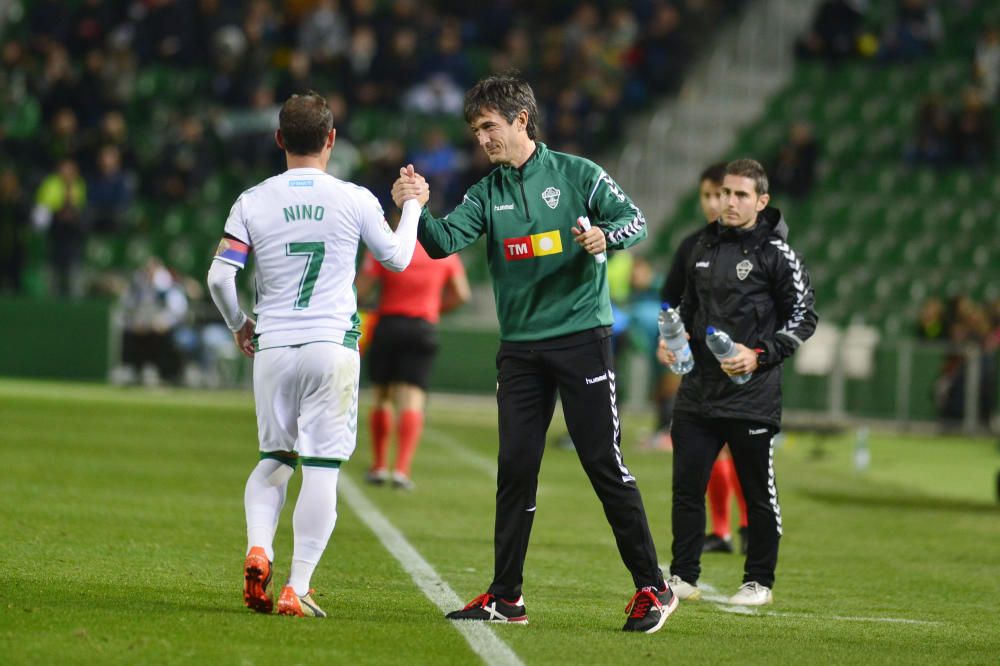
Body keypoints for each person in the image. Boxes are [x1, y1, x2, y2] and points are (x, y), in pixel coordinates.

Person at [393, 72, 677, 633]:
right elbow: (443, 242)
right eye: (476, 130)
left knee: (603, 462)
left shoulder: (577, 174)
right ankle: (507, 596)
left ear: (521, 119)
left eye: (489, 127)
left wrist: (604, 237)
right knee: (515, 469)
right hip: (520, 350)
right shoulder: (485, 192)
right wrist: (416, 207)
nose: (482, 139)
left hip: (581, 339)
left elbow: (634, 221)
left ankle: (654, 586)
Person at [206, 92, 427, 618]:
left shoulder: (252, 200)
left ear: (280, 139)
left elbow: (219, 276)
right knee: (322, 468)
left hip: (274, 346)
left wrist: (240, 324)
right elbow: (396, 259)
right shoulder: (354, 198)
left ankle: (259, 549)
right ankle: (296, 587)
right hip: (332, 346)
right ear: (331, 140)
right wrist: (413, 203)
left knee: (272, 462)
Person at [657, 159, 817, 606]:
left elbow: (805, 318)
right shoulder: (701, 246)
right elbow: (686, 308)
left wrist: (758, 354)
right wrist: (673, 340)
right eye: (725, 193)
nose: (729, 201)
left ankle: (758, 582)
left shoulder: (777, 253)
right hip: (697, 393)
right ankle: (683, 576)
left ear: (761, 201)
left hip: (752, 396)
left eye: (741, 195)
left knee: (757, 493)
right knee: (686, 490)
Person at [660, 163, 750, 555]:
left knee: (741, 445)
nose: (715, 203)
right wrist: (668, 339)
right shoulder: (692, 245)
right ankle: (723, 530)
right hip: (701, 359)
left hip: (742, 358)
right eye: (708, 196)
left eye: (722, 195)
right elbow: (672, 300)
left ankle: (747, 526)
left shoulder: (756, 246)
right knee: (711, 445)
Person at [356, 239, 470, 490]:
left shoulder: (388, 245)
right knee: (413, 397)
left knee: (383, 396)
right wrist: (435, 308)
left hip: (388, 325)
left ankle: (378, 466)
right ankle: (402, 470)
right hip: (423, 327)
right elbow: (462, 294)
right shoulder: (443, 249)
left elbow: (361, 290)